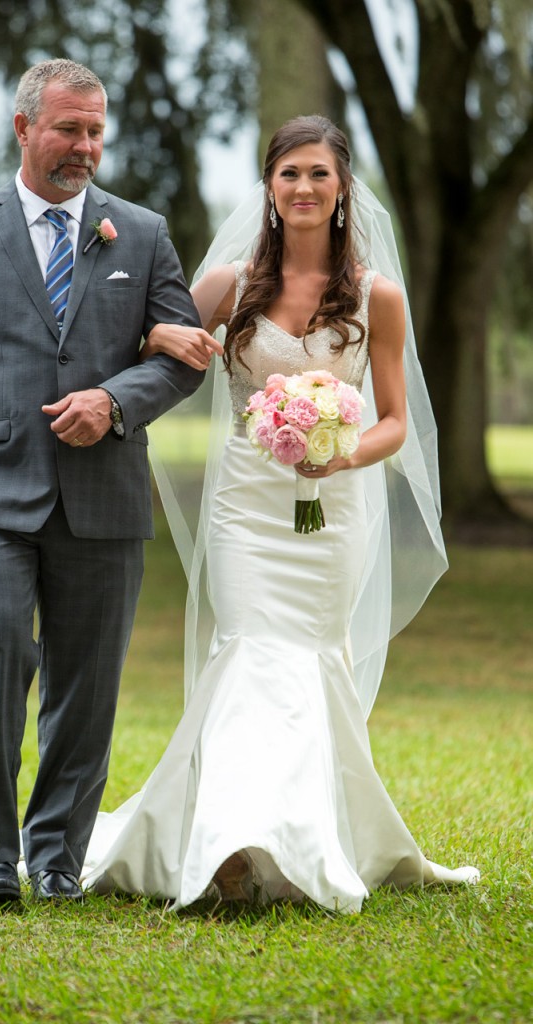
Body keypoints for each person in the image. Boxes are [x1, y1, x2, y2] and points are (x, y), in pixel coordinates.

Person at [79, 115, 479, 912]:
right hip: (245, 511)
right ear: (269, 186)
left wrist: (345, 453)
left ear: (341, 192)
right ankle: (227, 847)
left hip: (331, 516)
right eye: (289, 173)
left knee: (308, 661)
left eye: (318, 175)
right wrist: (163, 325)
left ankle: (296, 838)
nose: (302, 187)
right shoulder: (229, 284)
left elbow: (395, 418)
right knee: (251, 649)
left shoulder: (378, 297)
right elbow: (149, 353)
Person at [0, 58, 203, 907]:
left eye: (96, 130)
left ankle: (57, 856)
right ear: (24, 128)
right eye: (69, 128)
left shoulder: (140, 233)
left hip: (105, 495)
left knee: (87, 683)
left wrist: (113, 400)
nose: (85, 147)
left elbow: (185, 357)